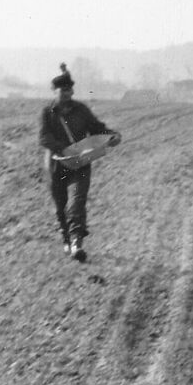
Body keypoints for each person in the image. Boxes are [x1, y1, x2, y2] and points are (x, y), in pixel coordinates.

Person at [38, 64, 122, 262]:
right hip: (56, 166)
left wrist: (112, 136)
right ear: (54, 91)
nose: (67, 93)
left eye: (69, 90)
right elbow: (44, 138)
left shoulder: (81, 110)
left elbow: (96, 128)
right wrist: (63, 149)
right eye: (63, 90)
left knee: (77, 202)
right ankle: (66, 238)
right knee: (61, 206)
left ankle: (77, 243)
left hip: (80, 163)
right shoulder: (47, 113)